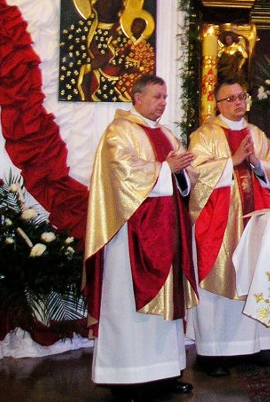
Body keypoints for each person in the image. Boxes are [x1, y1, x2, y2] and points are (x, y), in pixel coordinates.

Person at [83, 74, 198, 402]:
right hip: (130, 237)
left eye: (164, 97)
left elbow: (184, 178)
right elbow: (122, 174)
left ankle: (166, 372)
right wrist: (165, 169)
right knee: (127, 307)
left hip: (168, 234)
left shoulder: (165, 134)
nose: (163, 102)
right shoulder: (119, 132)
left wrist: (181, 172)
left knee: (166, 310)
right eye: (157, 97)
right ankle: (126, 379)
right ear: (137, 97)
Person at [188, 79, 270, 376]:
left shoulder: (256, 133)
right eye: (231, 99)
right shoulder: (204, 135)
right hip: (220, 224)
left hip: (255, 218)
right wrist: (232, 161)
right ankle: (214, 354)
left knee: (257, 275)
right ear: (218, 104)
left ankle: (259, 348)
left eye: (242, 97)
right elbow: (194, 176)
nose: (239, 103)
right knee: (222, 278)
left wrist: (256, 164)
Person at [60, 0, 136, 102]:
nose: (110, 4)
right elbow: (65, 69)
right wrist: (89, 66)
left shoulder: (129, 34)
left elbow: (140, 68)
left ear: (123, 1)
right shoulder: (78, 33)